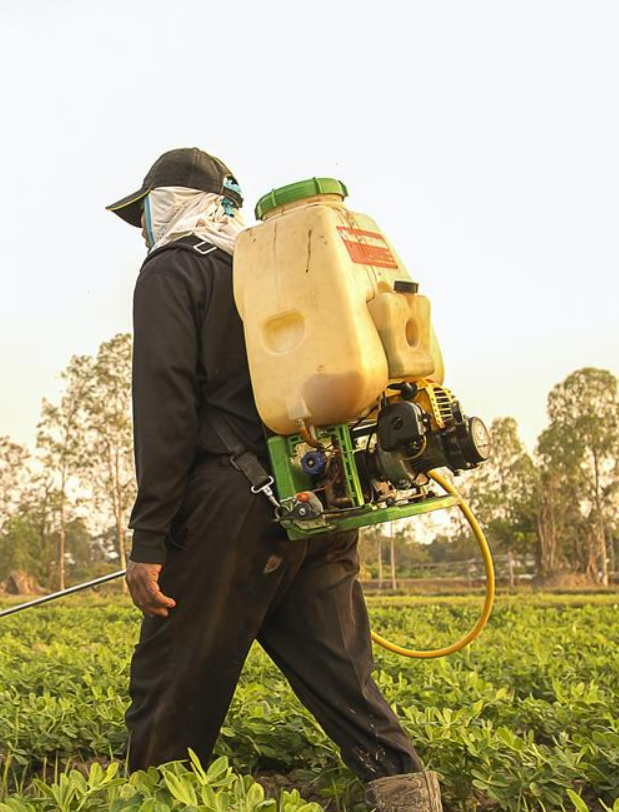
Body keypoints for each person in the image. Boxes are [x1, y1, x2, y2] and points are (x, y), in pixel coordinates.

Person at [105, 148, 443, 812]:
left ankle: (150, 801)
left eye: (142, 212)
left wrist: (149, 537)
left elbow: (166, 405)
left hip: (231, 507)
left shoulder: (175, 269)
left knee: (170, 679)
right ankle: (408, 794)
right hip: (316, 496)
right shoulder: (275, 271)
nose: (141, 229)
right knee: (342, 677)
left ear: (166, 204)